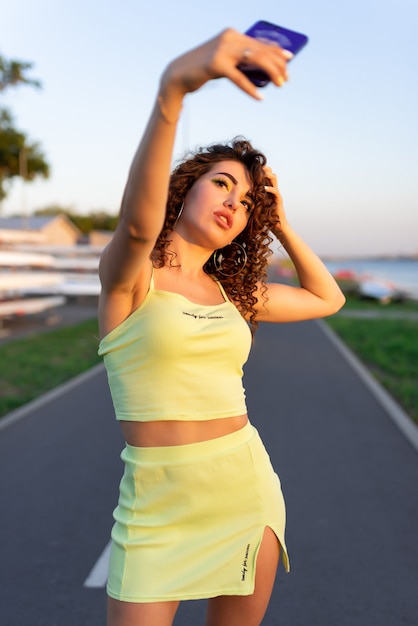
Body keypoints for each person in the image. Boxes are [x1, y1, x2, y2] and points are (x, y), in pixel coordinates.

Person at [98, 27, 345, 626]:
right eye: (223, 183)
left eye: (248, 203)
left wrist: (281, 222)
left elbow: (327, 297)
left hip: (243, 491)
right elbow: (137, 224)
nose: (235, 202)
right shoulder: (132, 278)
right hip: (155, 507)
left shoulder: (238, 294)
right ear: (185, 192)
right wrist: (173, 91)